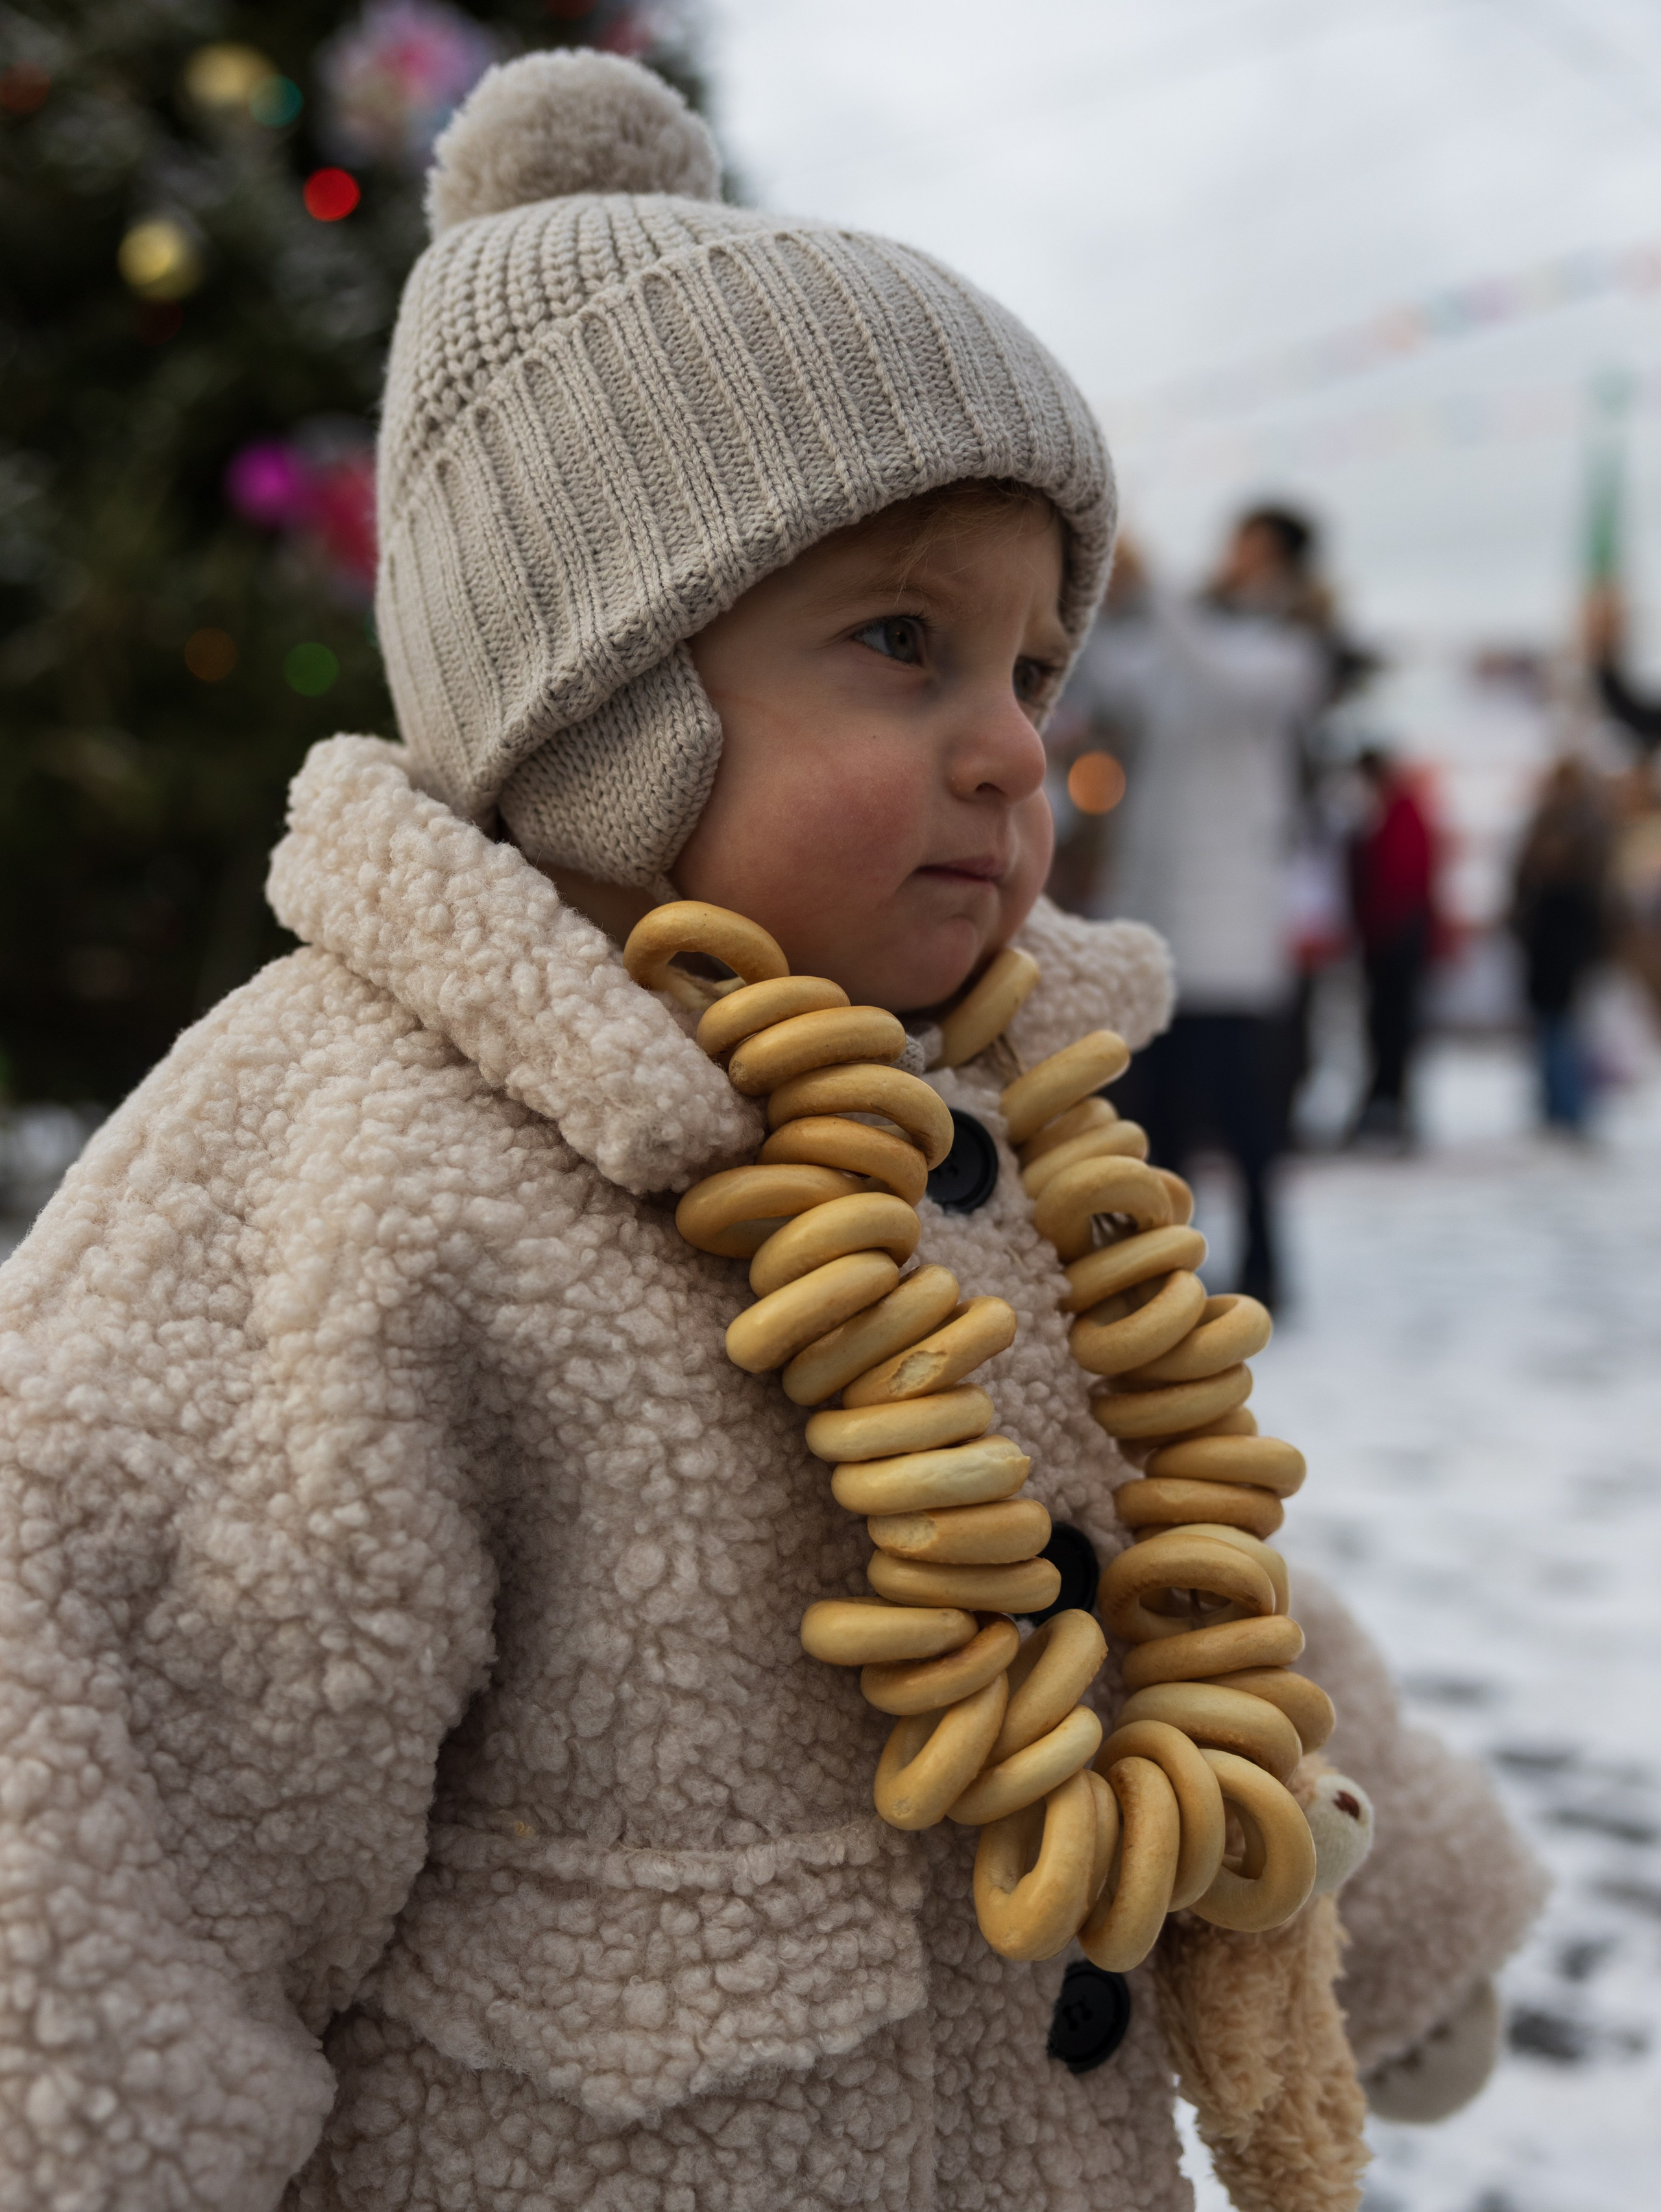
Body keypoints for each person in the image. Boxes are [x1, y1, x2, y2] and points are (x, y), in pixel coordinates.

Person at [0, 54, 1542, 2210]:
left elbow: (1191, 1588)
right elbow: (106, 1834)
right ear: (605, 710)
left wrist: (1402, 1924)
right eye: (906, 645)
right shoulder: (350, 1173)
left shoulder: (1011, 1141)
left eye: (1031, 667)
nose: (1014, 751)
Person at [1089, 507, 1352, 1306]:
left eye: (1254, 548)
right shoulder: (1187, 636)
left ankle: (1269, 1264)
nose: (1236, 559)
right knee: (1157, 1112)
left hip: (1229, 934)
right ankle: (1168, 1264)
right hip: (1159, 917)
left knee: (1243, 1118)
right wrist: (1104, 589)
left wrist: (1153, 586)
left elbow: (1216, 676)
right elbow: (1110, 676)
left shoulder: (1290, 651)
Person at [1510, 758, 1611, 1133]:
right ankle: (1557, 1105)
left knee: (1562, 1027)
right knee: (1552, 1026)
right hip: (1550, 943)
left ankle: (1566, 1106)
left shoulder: (1582, 828)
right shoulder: (1555, 824)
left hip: (1565, 941)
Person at [1346, 747, 1439, 1144]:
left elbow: (1401, 879)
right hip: (1392, 938)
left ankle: (1391, 1107)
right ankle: (1386, 1104)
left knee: (1393, 1029)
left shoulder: (1399, 812)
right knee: (1389, 1029)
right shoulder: (1391, 811)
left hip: (1396, 938)